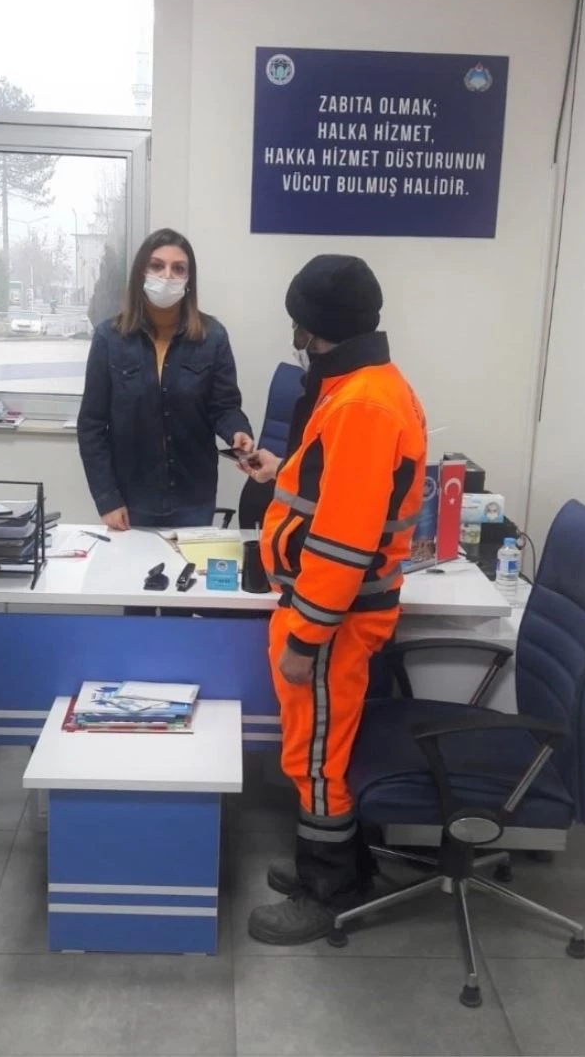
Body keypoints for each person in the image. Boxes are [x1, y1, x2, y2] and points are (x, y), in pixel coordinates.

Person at [242, 254, 427, 945]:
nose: (294, 336)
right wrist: (277, 471)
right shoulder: (359, 386)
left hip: (334, 620)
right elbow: (331, 492)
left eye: (300, 323)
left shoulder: (362, 405)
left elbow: (344, 543)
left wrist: (307, 637)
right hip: (326, 612)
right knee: (314, 749)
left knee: (316, 758)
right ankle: (333, 864)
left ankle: (329, 890)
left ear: (317, 327)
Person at [77, 228, 253, 530]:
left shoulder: (212, 337)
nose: (167, 276)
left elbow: (224, 406)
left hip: (193, 497)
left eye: (178, 268)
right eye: (157, 266)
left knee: (187, 563)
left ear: (189, 279)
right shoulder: (109, 338)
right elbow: (91, 425)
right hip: (130, 499)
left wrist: (238, 431)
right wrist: (107, 499)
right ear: (141, 273)